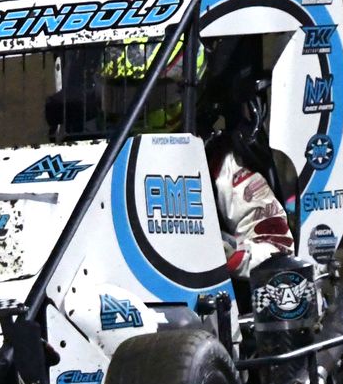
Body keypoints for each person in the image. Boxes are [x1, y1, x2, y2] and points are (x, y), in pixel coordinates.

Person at [92, 38, 293, 279]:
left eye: (148, 97)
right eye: (119, 95)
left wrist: (228, 254)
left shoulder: (218, 161)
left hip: (195, 306)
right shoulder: (93, 160)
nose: (133, 108)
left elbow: (279, 249)